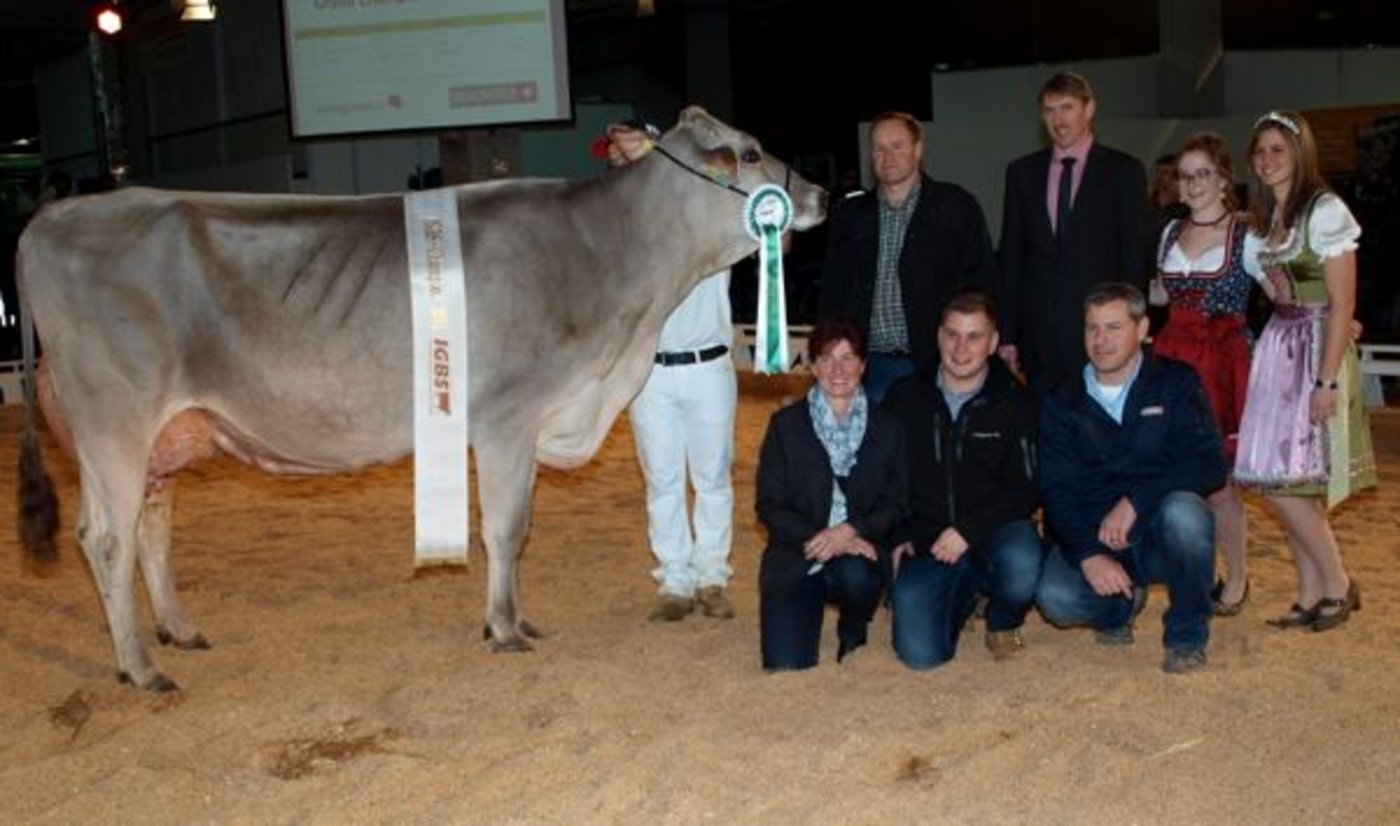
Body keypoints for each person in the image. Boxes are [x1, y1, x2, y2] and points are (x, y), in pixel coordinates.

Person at [1233, 110, 1377, 632]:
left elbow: (1342, 302)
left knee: (1284, 481)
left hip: (1316, 350)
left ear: (1300, 153)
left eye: (1278, 149)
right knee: (1286, 480)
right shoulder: (1265, 221)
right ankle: (1310, 592)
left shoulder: (1324, 209)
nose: (1267, 159)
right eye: (1260, 151)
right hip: (1280, 344)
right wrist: (1286, 295)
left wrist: (1327, 380)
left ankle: (1337, 583)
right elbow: (1275, 287)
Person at [1036, 283, 1226, 674]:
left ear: (1142, 330)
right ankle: (1119, 608)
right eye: (1092, 328)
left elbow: (1209, 464)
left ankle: (1186, 636)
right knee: (1056, 598)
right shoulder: (1062, 400)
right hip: (1094, 532)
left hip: (1157, 529)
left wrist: (1137, 502)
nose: (1100, 340)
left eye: (1113, 327)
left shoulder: (1176, 383)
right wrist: (1089, 556)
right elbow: (1055, 490)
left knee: (1187, 516)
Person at [603, 122, 738, 623]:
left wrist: (655, 151)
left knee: (713, 477)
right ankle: (675, 580)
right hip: (651, 369)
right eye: (615, 159)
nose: (620, 162)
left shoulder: (710, 202)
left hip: (709, 363)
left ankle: (712, 576)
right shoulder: (622, 227)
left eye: (627, 154)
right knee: (661, 480)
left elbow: (730, 180)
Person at [882, 288, 1043, 669]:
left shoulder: (1016, 401)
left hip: (995, 528)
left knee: (1022, 561)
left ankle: (1002, 620)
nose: (960, 348)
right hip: (930, 538)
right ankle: (965, 593)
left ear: (993, 342)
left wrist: (968, 531)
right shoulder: (904, 398)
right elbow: (883, 477)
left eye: (974, 337)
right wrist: (897, 533)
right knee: (920, 656)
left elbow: (1027, 489)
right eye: (952, 334)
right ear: (939, 336)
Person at [1150, 132, 1269, 616]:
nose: (1193, 183)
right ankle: (1195, 573)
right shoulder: (1169, 232)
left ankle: (1236, 578)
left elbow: (1279, 291)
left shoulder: (1247, 232)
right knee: (1171, 473)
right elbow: (1161, 296)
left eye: (1203, 173)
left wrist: (1326, 315)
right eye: (1185, 176)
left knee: (1220, 482)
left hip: (1222, 363)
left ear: (1223, 179)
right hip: (1172, 357)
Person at [756, 318, 907, 670]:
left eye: (848, 358)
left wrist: (851, 531)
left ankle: (854, 626)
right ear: (811, 366)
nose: (838, 370)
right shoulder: (785, 426)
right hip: (799, 552)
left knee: (857, 575)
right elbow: (769, 504)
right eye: (826, 358)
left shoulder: (889, 427)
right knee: (785, 664)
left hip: (859, 551)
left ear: (864, 365)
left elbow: (897, 500)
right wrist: (820, 537)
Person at [820, 111, 998, 402]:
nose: (887, 156)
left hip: (936, 365)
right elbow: (832, 291)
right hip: (866, 369)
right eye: (879, 148)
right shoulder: (848, 216)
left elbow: (982, 284)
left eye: (897, 146)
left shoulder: (956, 207)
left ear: (918, 150)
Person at [998, 72, 1154, 397]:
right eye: (1049, 110)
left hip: (1102, 335)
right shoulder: (1021, 174)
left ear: (1089, 108)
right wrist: (1008, 335)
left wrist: (1129, 329)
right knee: (1044, 424)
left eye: (1067, 107)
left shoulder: (1124, 172)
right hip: (1038, 338)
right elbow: (1012, 258)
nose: (1058, 120)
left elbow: (1135, 258)